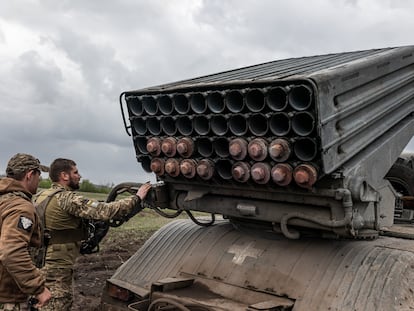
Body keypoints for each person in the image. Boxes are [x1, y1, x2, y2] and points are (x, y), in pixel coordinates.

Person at [34, 158, 152, 311]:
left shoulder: (42, 195)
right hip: (57, 268)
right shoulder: (66, 198)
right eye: (75, 172)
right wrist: (137, 198)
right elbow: (104, 211)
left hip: (41, 264)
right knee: (58, 304)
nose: (80, 176)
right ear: (64, 176)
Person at [0, 153, 52, 310]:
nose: (40, 180)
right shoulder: (20, 207)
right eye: (38, 175)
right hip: (7, 297)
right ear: (30, 175)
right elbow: (11, 251)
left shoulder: (4, 199)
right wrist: (38, 288)